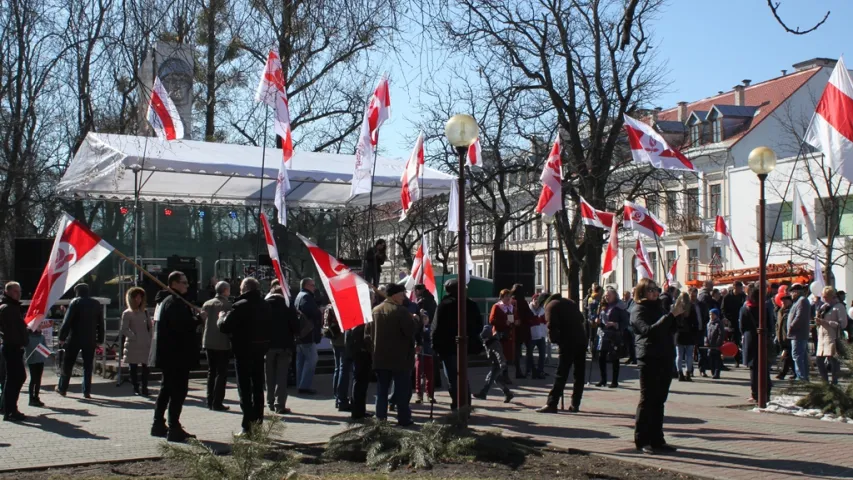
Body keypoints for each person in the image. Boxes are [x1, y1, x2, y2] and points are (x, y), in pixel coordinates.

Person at [150, 271, 203, 442]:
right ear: (174, 283)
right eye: (184, 282)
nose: (187, 286)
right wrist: (198, 319)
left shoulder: (171, 301)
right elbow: (181, 327)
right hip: (177, 356)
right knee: (177, 391)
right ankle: (174, 427)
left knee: (166, 389)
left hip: (170, 355)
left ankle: (158, 424)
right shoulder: (173, 302)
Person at [633, 278, 682, 455]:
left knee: (659, 400)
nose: (654, 292)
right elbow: (648, 331)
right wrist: (669, 316)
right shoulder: (638, 310)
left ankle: (657, 439)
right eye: (650, 290)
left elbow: (670, 329)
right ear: (642, 292)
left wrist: (677, 315)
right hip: (649, 358)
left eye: (656, 289)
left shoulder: (659, 307)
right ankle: (642, 439)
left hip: (664, 357)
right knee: (648, 399)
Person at [219, 277, 272, 435]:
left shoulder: (240, 306)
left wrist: (221, 317)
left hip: (243, 351)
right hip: (260, 350)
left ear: (245, 289)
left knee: (245, 389)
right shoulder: (265, 305)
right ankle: (258, 425)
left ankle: (247, 426)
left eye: (241, 288)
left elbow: (225, 326)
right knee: (258, 388)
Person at [366, 283, 418, 426]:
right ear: (395, 295)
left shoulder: (375, 310)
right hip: (400, 358)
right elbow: (410, 331)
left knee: (381, 390)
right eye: (402, 294)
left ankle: (380, 419)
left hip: (380, 358)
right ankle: (404, 419)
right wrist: (417, 320)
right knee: (402, 391)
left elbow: (367, 335)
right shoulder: (400, 311)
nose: (404, 297)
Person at [432, 278, 483, 411]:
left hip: (448, 347)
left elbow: (436, 327)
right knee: (462, 376)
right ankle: (465, 404)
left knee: (453, 378)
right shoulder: (470, 304)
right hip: (464, 346)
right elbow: (479, 325)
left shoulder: (445, 304)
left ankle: (458, 405)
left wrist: (435, 345)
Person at [536, 293, 587, 413]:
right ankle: (575, 404)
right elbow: (581, 318)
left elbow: (552, 326)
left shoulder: (551, 306)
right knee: (579, 374)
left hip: (568, 343)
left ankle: (552, 403)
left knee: (561, 374)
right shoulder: (569, 302)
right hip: (581, 340)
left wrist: (557, 341)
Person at [57, 283, 104, 399]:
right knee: (87, 366)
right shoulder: (96, 304)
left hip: (74, 338)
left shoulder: (75, 302)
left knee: (68, 364)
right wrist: (100, 339)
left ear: (77, 291)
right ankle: (86, 391)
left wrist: (62, 337)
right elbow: (101, 324)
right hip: (90, 339)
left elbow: (67, 321)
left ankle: (62, 388)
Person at [266, 282, 299, 414]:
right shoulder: (288, 305)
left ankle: (269, 401)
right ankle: (280, 404)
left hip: (268, 345)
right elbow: (296, 326)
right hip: (284, 345)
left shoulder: (265, 304)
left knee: (269, 375)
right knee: (282, 376)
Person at [201, 281, 232, 411]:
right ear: (225, 290)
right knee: (221, 373)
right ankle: (217, 402)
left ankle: (209, 400)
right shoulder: (227, 305)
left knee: (211, 372)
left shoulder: (207, 303)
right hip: (222, 342)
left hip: (208, 341)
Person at [120, 287, 153, 397]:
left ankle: (145, 387)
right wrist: (133, 336)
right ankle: (135, 387)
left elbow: (150, 326)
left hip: (145, 343)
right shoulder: (127, 313)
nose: (138, 300)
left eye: (140, 297)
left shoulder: (145, 312)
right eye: (136, 297)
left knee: (146, 367)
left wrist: (150, 337)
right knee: (133, 367)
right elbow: (124, 329)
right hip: (133, 344)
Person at [0, 282, 26, 421]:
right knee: (14, 378)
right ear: (8, 292)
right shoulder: (8, 308)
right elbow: (12, 330)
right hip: (12, 347)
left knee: (16, 378)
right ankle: (9, 410)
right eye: (16, 291)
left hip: (14, 346)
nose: (19, 294)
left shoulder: (12, 307)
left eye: (20, 291)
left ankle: (9, 408)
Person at [595, 288, 629, 388]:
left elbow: (626, 322)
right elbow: (601, 319)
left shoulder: (620, 306)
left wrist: (615, 324)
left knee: (614, 358)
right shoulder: (603, 306)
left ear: (614, 295)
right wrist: (597, 320)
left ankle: (614, 381)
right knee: (601, 357)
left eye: (609, 295)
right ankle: (603, 380)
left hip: (614, 335)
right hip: (603, 334)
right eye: (605, 295)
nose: (607, 297)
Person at [295, 278, 322, 395]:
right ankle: (304, 385)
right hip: (307, 334)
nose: (314, 288)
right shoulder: (306, 297)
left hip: (301, 334)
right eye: (312, 285)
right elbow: (312, 313)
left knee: (300, 360)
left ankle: (300, 384)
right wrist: (319, 311)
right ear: (306, 285)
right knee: (312, 359)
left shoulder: (299, 295)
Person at [815, 286, 847, 385]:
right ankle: (825, 381)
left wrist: (826, 322)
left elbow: (843, 324)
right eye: (823, 296)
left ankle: (834, 382)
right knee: (819, 360)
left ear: (831, 296)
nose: (824, 298)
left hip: (832, 337)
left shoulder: (839, 307)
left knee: (833, 361)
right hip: (822, 338)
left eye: (825, 296)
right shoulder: (823, 306)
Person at [474, 324, 514, 402]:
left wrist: (502, 363)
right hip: (495, 364)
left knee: (490, 379)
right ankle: (508, 393)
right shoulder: (488, 343)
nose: (484, 340)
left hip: (498, 365)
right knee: (496, 380)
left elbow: (499, 354)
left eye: (485, 338)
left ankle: (483, 393)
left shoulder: (494, 343)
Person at [323, 305, 351, 412]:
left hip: (334, 339)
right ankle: (341, 399)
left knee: (338, 368)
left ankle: (337, 397)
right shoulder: (343, 305)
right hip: (343, 338)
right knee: (343, 369)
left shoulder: (330, 306)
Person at [488, 289, 516, 382]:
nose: (508, 298)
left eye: (509, 296)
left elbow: (515, 318)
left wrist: (516, 321)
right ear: (502, 297)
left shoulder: (511, 307)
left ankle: (504, 376)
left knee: (506, 356)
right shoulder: (496, 306)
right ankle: (499, 376)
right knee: (500, 356)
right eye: (506, 296)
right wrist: (504, 322)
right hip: (499, 335)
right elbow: (491, 320)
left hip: (508, 335)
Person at [787, 283, 811, 382]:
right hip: (797, 334)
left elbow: (799, 317)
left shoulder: (802, 301)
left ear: (796, 292)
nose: (791, 295)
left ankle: (801, 378)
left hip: (798, 334)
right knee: (801, 356)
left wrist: (791, 327)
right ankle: (803, 376)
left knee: (797, 356)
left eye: (792, 292)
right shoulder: (798, 302)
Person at [674, 290, 699, 382]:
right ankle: (688, 373)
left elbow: (672, 322)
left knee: (679, 355)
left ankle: (679, 373)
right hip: (689, 333)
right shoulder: (691, 307)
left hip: (678, 333)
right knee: (689, 355)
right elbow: (695, 322)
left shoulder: (676, 308)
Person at [511, 284, 534, 379]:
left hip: (516, 328)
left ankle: (518, 370)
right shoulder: (523, 301)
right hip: (525, 328)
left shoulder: (511, 301)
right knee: (529, 350)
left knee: (517, 350)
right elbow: (529, 314)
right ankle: (529, 369)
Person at [414, 302, 435, 405]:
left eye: (425, 318)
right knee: (418, 375)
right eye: (422, 318)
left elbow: (429, 337)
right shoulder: (417, 328)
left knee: (429, 376)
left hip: (428, 354)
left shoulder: (430, 328)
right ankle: (419, 394)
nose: (424, 320)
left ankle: (430, 394)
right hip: (419, 355)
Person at [722, 281, 746, 368]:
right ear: (734, 288)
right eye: (739, 288)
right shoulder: (727, 297)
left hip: (742, 321)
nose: (740, 290)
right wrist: (727, 319)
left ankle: (743, 358)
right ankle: (737, 360)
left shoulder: (743, 296)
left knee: (742, 341)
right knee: (735, 341)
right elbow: (723, 309)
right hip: (732, 322)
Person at [529, 294, 549, 379]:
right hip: (532, 336)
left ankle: (540, 370)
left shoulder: (543, 311)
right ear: (532, 300)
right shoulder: (529, 310)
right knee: (530, 354)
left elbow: (545, 323)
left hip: (541, 335)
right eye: (535, 300)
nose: (536, 301)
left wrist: (546, 332)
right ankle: (532, 371)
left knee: (542, 354)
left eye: (538, 300)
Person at [775, 292, 794, 380]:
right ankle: (794, 372)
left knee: (788, 356)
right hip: (781, 337)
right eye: (782, 301)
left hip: (789, 337)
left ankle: (783, 373)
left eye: (785, 301)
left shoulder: (791, 310)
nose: (783, 303)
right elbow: (778, 324)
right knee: (789, 356)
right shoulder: (780, 311)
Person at [706, 308, 724, 379]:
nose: (711, 316)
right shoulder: (709, 323)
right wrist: (706, 341)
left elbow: (721, 334)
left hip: (716, 345)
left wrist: (718, 343)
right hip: (710, 345)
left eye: (713, 314)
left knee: (717, 359)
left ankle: (717, 373)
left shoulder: (719, 323)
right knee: (711, 359)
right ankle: (713, 371)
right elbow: (706, 334)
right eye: (710, 314)